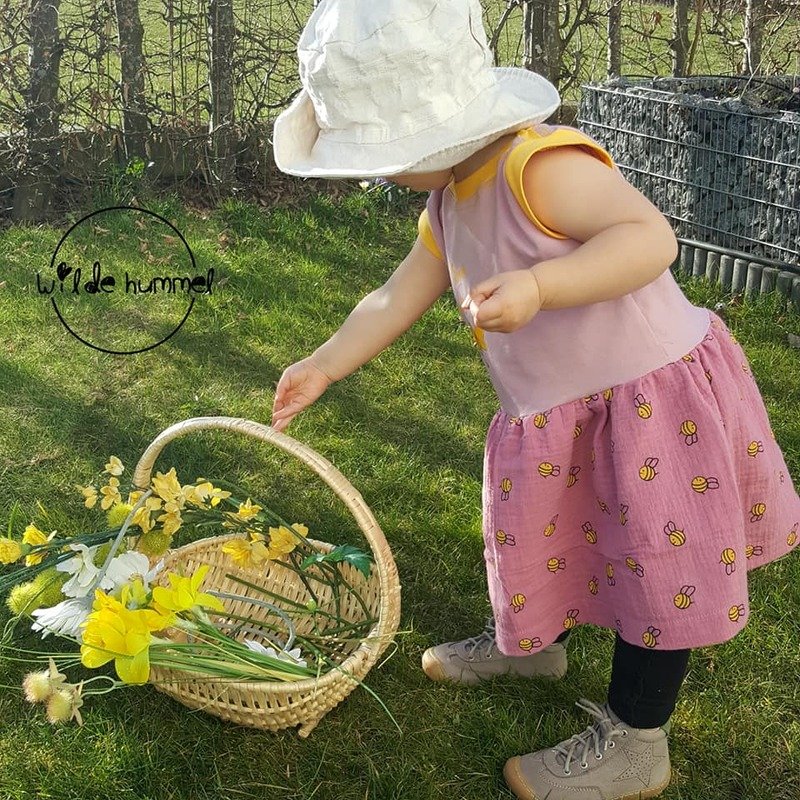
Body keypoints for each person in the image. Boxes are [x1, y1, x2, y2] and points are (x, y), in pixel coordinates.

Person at [270, 1, 800, 798]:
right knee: (548, 532)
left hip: (650, 409)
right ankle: (533, 643)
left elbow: (649, 237)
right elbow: (395, 296)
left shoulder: (540, 166)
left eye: (384, 155)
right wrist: (325, 363)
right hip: (565, 415)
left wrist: (543, 285)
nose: (380, 173)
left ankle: (639, 741)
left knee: (657, 564)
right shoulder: (450, 200)